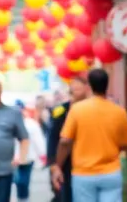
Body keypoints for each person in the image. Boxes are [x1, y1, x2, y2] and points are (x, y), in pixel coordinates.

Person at [54, 69, 127, 202]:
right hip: (111, 172)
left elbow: (65, 141)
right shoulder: (119, 112)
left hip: (83, 174)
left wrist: (58, 165)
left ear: (89, 86)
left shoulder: (77, 110)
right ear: (106, 86)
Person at [47, 74, 90, 202]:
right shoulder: (60, 110)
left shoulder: (92, 109)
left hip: (86, 160)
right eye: (73, 87)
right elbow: (53, 137)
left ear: (87, 88)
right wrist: (53, 163)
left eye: (79, 86)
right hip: (65, 161)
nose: (76, 89)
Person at [14, 101, 48, 201]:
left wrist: (43, 155)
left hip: (27, 158)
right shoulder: (10, 123)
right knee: (17, 181)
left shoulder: (31, 124)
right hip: (12, 158)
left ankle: (23, 198)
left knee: (23, 181)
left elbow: (39, 141)